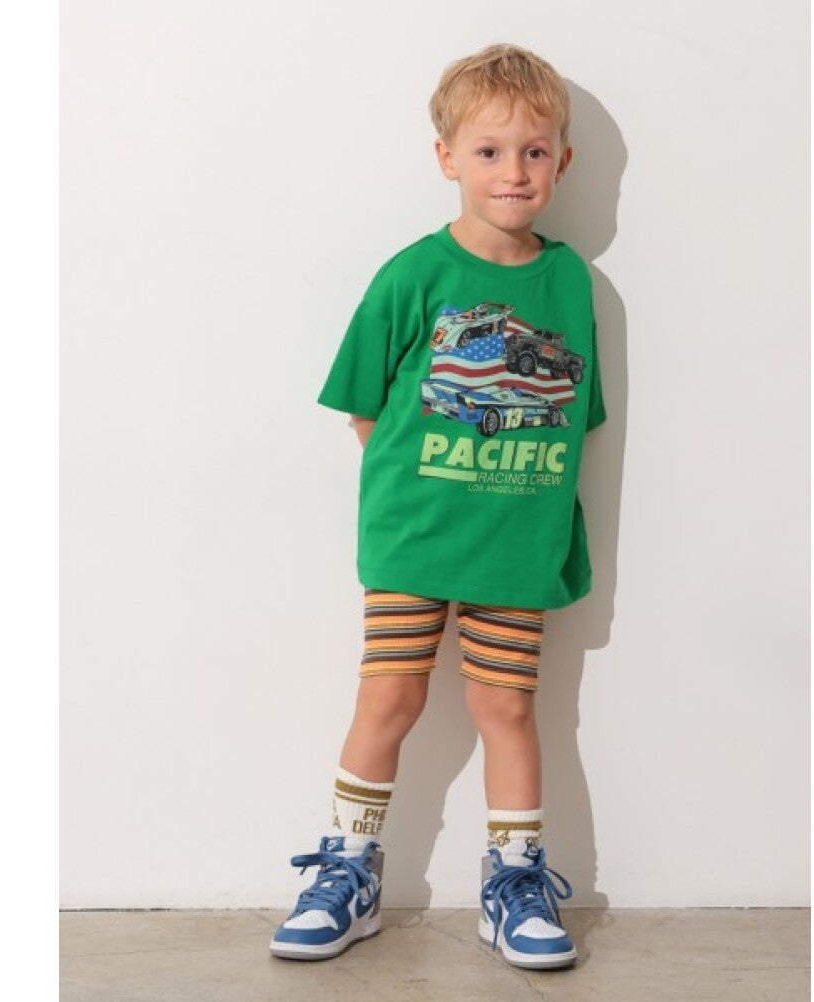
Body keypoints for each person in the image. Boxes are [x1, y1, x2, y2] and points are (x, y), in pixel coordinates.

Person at [269, 42, 606, 970]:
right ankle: (348, 868)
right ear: (447, 157)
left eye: (533, 151)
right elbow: (364, 406)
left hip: (516, 545)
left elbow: (576, 414)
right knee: (389, 696)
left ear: (563, 161)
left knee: (508, 707)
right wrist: (429, 489)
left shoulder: (571, 283)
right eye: (490, 151)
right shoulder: (411, 275)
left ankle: (515, 879)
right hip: (414, 540)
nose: (514, 172)